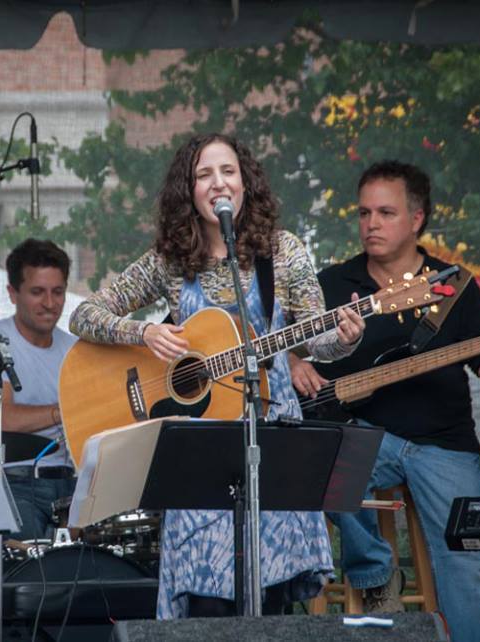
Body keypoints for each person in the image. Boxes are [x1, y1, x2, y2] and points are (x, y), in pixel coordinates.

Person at [68, 132, 365, 618]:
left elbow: (316, 339)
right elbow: (84, 315)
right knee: (207, 600)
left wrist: (346, 338)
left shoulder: (283, 252)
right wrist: (144, 332)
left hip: (272, 438)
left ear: (246, 183)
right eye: (204, 175)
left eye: (228, 171)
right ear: (188, 190)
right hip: (199, 449)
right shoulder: (169, 260)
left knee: (270, 600)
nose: (218, 183)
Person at [289, 160, 480, 641]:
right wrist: (295, 362)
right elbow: (285, 342)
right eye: (364, 213)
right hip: (363, 435)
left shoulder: (456, 285)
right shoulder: (333, 284)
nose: (371, 224)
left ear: (416, 219)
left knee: (464, 559)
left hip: (444, 443)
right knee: (326, 463)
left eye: (385, 213)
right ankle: (377, 578)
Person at [0, 238, 77, 540]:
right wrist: (68, 410)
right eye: (37, 292)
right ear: (12, 293)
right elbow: (4, 418)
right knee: (30, 560)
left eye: (58, 292)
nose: (50, 303)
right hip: (11, 483)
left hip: (70, 484)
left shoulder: (75, 349)